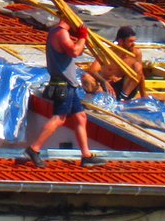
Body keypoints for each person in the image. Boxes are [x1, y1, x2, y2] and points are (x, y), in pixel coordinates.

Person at [25, 18, 105, 165]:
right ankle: (34, 148)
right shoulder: (61, 33)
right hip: (64, 84)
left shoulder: (56, 32)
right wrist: (82, 37)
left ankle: (86, 155)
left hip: (69, 84)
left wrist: (80, 40)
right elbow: (75, 51)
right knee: (59, 118)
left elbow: (75, 51)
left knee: (81, 117)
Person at [102, 25, 146, 100]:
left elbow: (140, 75)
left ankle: (123, 97)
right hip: (110, 87)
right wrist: (104, 81)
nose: (133, 44)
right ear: (121, 41)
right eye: (130, 41)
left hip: (126, 88)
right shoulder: (109, 53)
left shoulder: (136, 53)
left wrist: (143, 96)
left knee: (137, 66)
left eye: (134, 41)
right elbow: (93, 70)